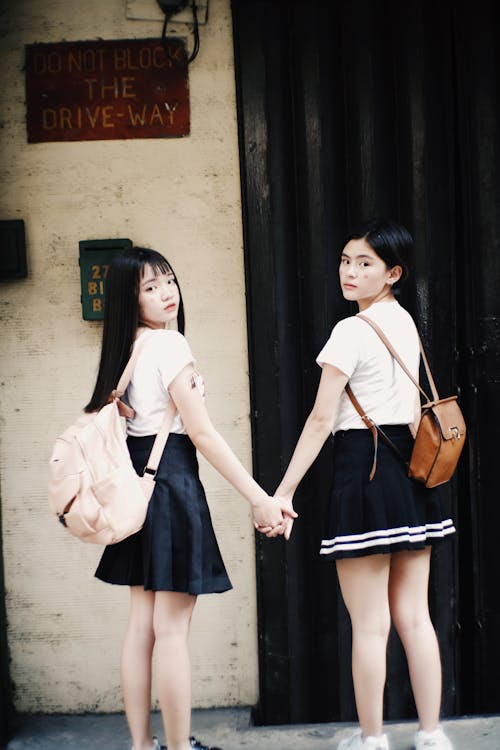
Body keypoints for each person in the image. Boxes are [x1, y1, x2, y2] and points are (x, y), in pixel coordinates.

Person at [88, 246, 295, 750]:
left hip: (135, 487)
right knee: (172, 631)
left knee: (143, 626)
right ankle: (178, 747)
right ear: (129, 299)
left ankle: (143, 746)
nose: (166, 293)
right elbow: (201, 435)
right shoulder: (170, 346)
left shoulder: (126, 350)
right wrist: (259, 498)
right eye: (150, 287)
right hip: (172, 484)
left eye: (168, 280)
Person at [261, 219, 456, 750]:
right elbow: (415, 416)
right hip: (411, 478)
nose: (350, 271)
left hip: (363, 473)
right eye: (347, 260)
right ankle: (432, 735)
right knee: (415, 617)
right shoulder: (407, 323)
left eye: (365, 263)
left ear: (393, 273)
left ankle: (372, 740)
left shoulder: (350, 332)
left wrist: (282, 491)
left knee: (371, 624)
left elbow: (322, 420)